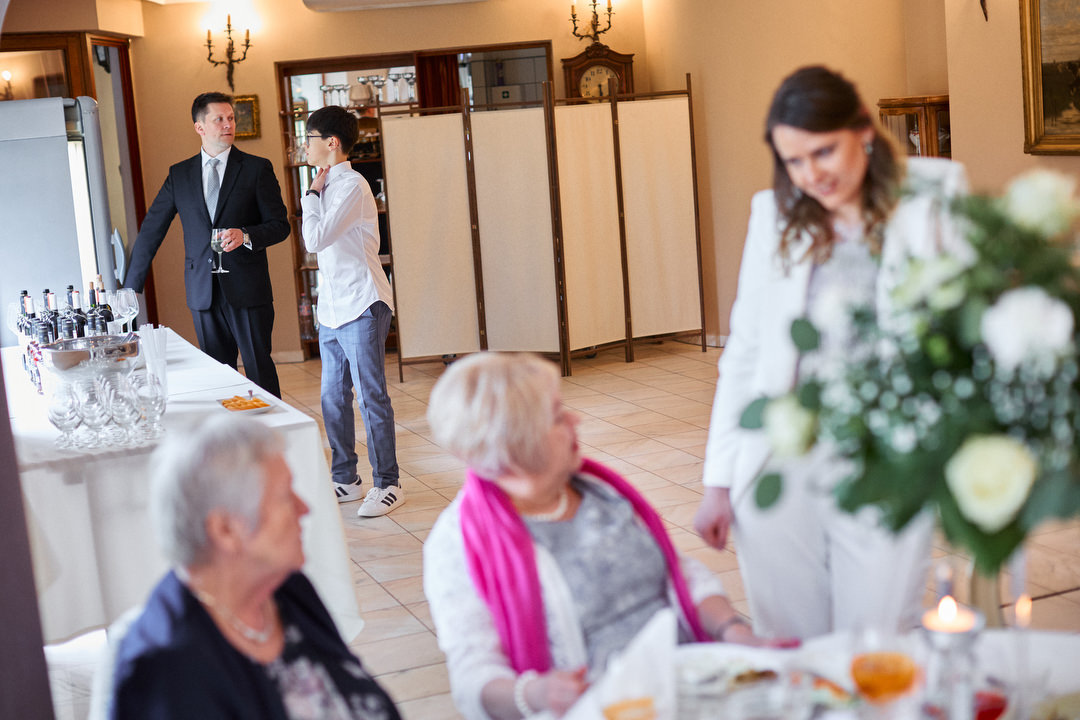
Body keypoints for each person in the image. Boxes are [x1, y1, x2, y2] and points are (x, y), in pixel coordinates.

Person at [694, 66, 970, 639]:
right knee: (791, 641)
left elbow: (966, 324)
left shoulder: (933, 196)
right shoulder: (773, 214)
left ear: (863, 130)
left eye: (823, 152)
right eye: (793, 161)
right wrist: (718, 481)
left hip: (888, 456)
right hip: (781, 457)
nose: (811, 175)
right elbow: (745, 351)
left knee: (876, 637)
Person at [423, 352, 784, 720]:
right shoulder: (457, 544)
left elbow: (677, 573)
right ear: (516, 443)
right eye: (558, 416)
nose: (575, 420)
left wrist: (732, 630)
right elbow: (473, 672)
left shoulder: (600, 492)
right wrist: (536, 693)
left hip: (691, 685)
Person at [109, 414, 402, 719]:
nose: (304, 509)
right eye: (285, 497)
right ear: (225, 530)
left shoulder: (287, 589)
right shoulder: (167, 676)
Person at [124, 91, 289, 398]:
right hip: (203, 291)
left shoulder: (256, 169)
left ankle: (272, 426)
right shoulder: (180, 174)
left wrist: (246, 235)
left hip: (248, 288)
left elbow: (281, 225)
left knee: (259, 369)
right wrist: (131, 286)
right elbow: (151, 229)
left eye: (231, 118)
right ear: (199, 127)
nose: (228, 124)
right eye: (219, 119)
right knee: (217, 374)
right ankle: (229, 428)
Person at [300, 106, 403, 516]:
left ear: (331, 142)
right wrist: (314, 193)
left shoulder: (352, 186)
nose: (303, 145)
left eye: (308, 138)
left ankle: (388, 482)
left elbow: (315, 240)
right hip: (331, 308)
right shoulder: (324, 184)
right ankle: (346, 478)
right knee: (332, 398)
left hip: (362, 303)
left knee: (371, 397)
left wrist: (310, 197)